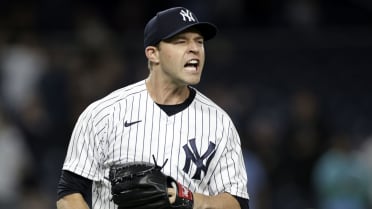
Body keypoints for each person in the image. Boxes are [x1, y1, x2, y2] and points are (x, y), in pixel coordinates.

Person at [56, 6, 249, 209]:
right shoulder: (103, 114)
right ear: (153, 54)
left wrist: (187, 198)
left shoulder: (219, 122)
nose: (195, 48)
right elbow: (69, 195)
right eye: (181, 41)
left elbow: (238, 203)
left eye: (199, 41)